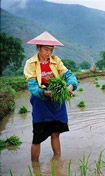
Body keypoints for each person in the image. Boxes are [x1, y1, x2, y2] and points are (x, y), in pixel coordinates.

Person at [24, 31, 78, 161]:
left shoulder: (56, 61)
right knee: (38, 137)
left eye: (51, 50)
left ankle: (57, 162)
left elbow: (69, 76)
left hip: (56, 103)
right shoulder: (31, 63)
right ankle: (35, 167)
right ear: (38, 47)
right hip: (41, 104)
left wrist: (70, 86)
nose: (49, 53)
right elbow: (32, 87)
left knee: (56, 133)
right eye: (46, 49)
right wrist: (46, 93)